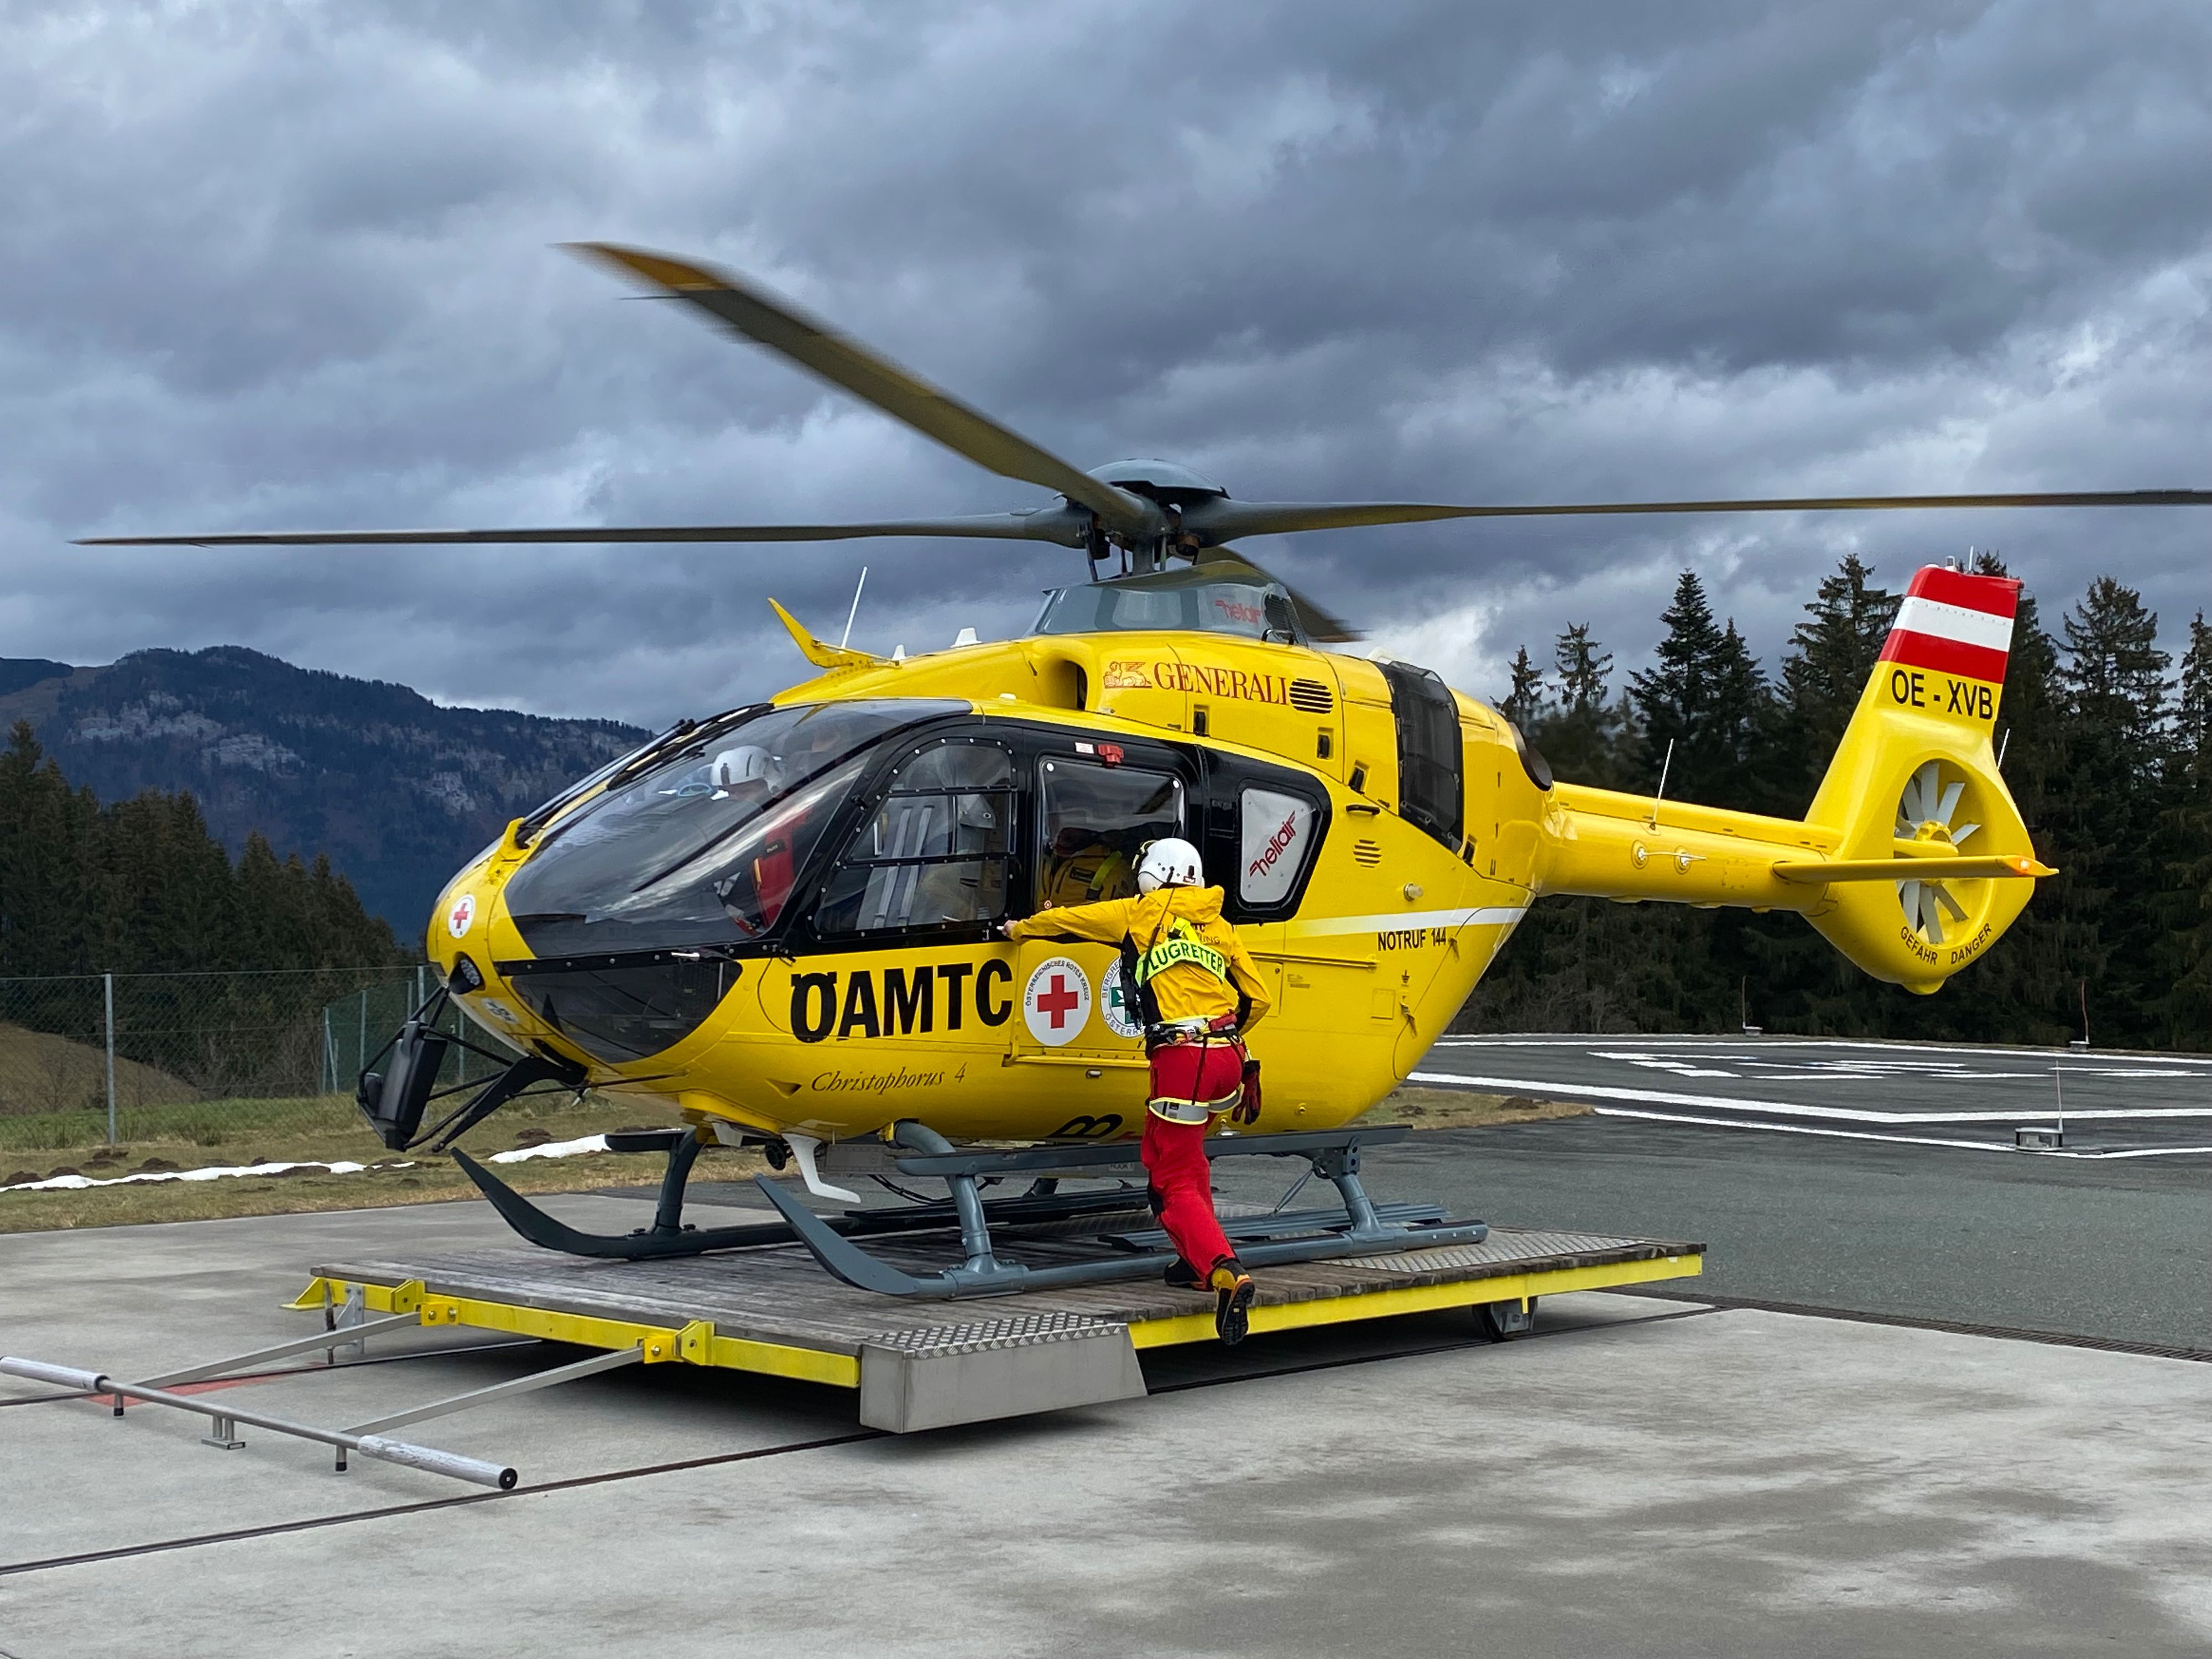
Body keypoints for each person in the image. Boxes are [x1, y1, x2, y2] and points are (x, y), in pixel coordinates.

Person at [1000, 837, 1272, 1343]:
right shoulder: (1218, 925)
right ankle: (1191, 1263)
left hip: (1183, 1058)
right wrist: (1233, 1037)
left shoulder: (1140, 912)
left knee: (1172, 1178)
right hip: (1229, 1058)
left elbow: (1068, 921)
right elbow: (1259, 998)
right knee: (1186, 1161)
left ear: (1155, 872)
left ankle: (1224, 1271)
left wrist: (1020, 928)